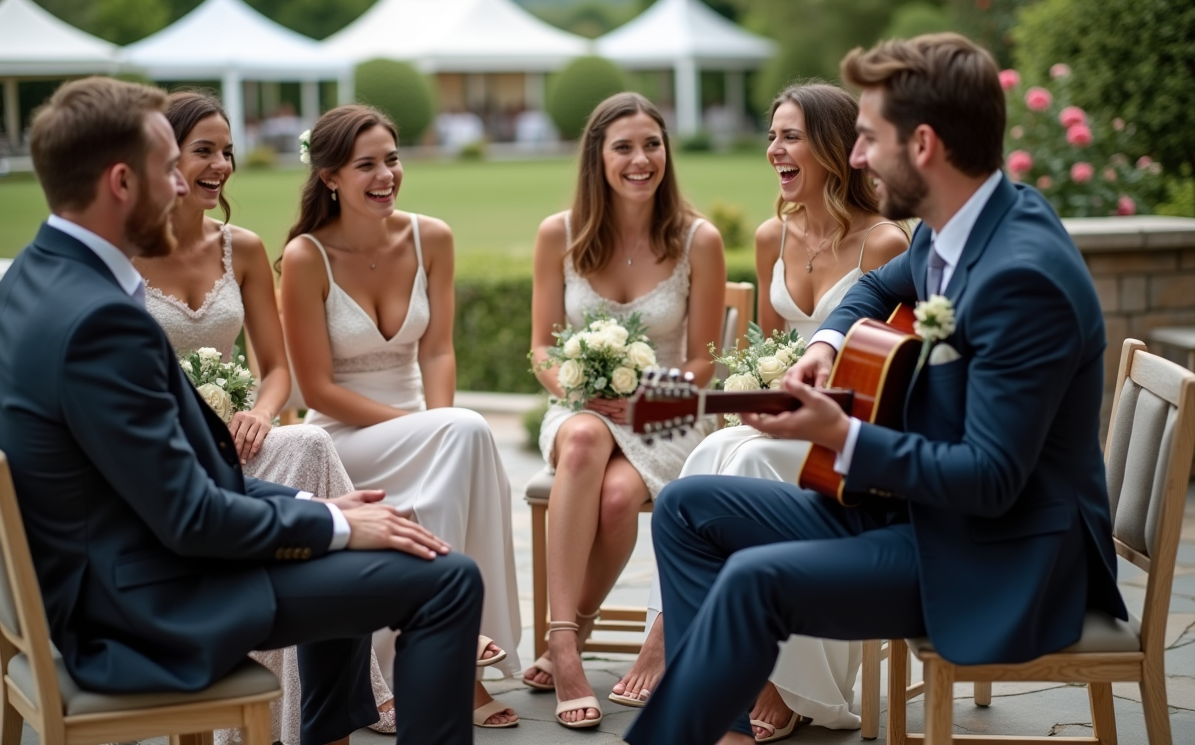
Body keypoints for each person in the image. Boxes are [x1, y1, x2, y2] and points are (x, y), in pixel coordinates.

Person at [624, 33, 1128, 745]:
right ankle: (725, 730)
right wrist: (824, 347)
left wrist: (841, 436)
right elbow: (871, 291)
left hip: (999, 557)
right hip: (914, 512)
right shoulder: (947, 231)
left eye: (867, 138)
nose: (856, 157)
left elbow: (990, 481)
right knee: (684, 508)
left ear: (922, 144)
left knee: (753, 580)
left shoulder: (1023, 276)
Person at [0, 77, 485, 745]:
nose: (183, 184)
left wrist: (321, 511)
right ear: (122, 182)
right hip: (142, 608)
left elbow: (166, 477)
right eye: (169, 167)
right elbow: (192, 518)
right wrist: (334, 525)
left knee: (349, 542)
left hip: (119, 567)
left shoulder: (33, 277)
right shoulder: (101, 321)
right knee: (448, 579)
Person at [611, 81, 909, 743]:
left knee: (742, 459)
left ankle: (776, 678)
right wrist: (756, 391)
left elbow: (889, 371)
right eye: (772, 136)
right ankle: (692, 645)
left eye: (791, 136)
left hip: (846, 422)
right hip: (783, 412)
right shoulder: (774, 234)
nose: (774, 148)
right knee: (713, 451)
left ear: (833, 147)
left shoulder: (885, 243)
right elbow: (767, 352)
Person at [134, 90, 397, 743]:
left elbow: (276, 368)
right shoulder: (122, 257)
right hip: (162, 460)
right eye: (204, 151)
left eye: (227, 151)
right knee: (312, 470)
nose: (221, 165)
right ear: (163, 157)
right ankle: (356, 667)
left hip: (238, 445)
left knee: (307, 443)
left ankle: (312, 701)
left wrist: (258, 411)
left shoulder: (243, 249)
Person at [278, 104, 521, 730]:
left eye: (392, 159)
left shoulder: (431, 237)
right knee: (462, 431)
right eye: (367, 165)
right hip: (341, 436)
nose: (386, 175)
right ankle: (450, 647)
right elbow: (317, 388)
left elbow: (437, 350)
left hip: (421, 422)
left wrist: (430, 423)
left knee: (459, 434)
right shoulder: (306, 256)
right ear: (330, 177)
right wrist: (423, 428)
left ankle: (440, 653)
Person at [527, 91, 726, 729]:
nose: (641, 160)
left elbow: (702, 363)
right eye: (624, 148)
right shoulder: (559, 235)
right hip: (580, 406)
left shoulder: (698, 239)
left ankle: (573, 629)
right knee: (585, 439)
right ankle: (564, 643)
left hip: (664, 411)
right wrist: (574, 385)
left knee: (617, 499)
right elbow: (541, 347)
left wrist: (648, 392)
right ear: (598, 157)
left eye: (652, 145)